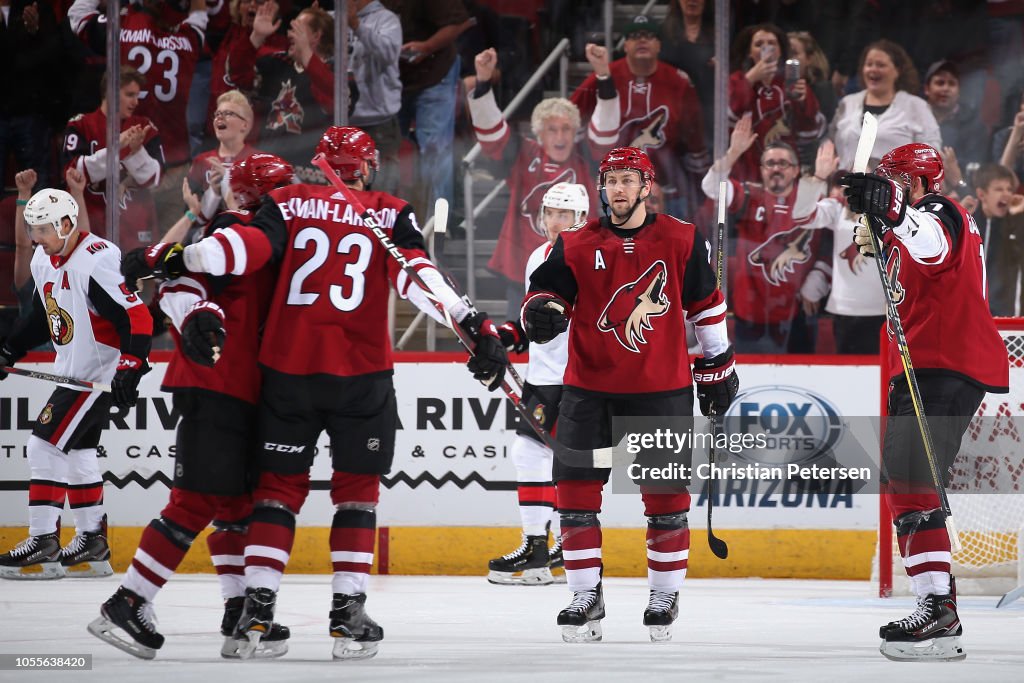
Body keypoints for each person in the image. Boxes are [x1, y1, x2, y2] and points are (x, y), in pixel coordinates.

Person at [167, 126, 508, 659]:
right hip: (361, 375)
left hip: (288, 370)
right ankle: (348, 612)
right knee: (356, 494)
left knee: (276, 492)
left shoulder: (288, 201)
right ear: (367, 168)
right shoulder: (389, 212)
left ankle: (257, 608)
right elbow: (416, 277)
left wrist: (180, 257)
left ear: (322, 165)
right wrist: (471, 322)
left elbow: (244, 250)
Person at [522, 147, 738, 643]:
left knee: (665, 500)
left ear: (647, 186)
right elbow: (543, 294)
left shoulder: (682, 237)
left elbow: (706, 305)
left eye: (627, 179)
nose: (617, 188)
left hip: (660, 391)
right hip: (587, 391)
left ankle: (664, 595)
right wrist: (540, 310)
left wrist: (718, 365)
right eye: (611, 180)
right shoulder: (575, 242)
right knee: (575, 496)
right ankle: (585, 594)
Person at [89, 153, 296, 661]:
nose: (291, 198)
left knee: (236, 507)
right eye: (282, 189)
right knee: (195, 502)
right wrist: (195, 311)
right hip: (216, 382)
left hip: (239, 388)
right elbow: (184, 285)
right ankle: (128, 601)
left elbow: (179, 279)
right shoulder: (239, 227)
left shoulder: (271, 237)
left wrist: (167, 264)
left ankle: (237, 609)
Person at [839, 143, 1009, 661]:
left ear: (914, 183)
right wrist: (884, 234)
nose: (885, 188)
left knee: (910, 474)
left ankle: (937, 608)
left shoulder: (940, 211)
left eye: (892, 180)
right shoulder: (908, 224)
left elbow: (932, 245)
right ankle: (937, 610)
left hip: (944, 360)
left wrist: (895, 217)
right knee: (905, 477)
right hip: (924, 362)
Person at [0, 186, 152, 580]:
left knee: (43, 445)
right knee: (79, 453)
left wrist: (132, 364)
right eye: (32, 229)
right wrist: (10, 348)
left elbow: (135, 316)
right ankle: (91, 541)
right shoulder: (43, 258)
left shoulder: (96, 260)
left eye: (43, 229)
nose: (36, 237)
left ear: (67, 224)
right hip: (75, 370)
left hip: (95, 374)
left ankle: (42, 541)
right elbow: (45, 315)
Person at [486, 181, 589, 586]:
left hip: (574, 377)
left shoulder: (589, 257)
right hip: (543, 376)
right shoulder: (538, 257)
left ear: (581, 218)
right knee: (537, 454)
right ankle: (553, 549)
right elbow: (537, 318)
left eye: (565, 214)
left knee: (549, 458)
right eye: (551, 213)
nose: (556, 221)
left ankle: (544, 549)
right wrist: (509, 335)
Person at [469, 45, 614, 320]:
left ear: (575, 132)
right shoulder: (523, 153)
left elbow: (606, 130)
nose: (560, 137)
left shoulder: (586, 155)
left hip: (580, 264)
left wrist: (604, 76)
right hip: (524, 264)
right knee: (522, 334)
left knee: (580, 334)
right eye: (552, 129)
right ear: (539, 134)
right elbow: (490, 133)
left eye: (566, 129)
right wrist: (483, 82)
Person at [702, 114, 830, 353]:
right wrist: (733, 152)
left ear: (796, 170)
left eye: (783, 163)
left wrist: (819, 277)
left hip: (797, 314)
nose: (776, 168)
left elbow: (830, 244)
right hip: (751, 314)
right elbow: (710, 186)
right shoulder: (749, 196)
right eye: (770, 163)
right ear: (761, 170)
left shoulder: (812, 201)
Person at [572, 15, 709, 217]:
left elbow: (694, 138)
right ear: (625, 45)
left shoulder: (678, 82)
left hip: (664, 192)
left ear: (659, 45)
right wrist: (580, 169)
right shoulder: (605, 75)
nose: (642, 40)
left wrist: (701, 188)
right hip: (613, 189)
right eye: (635, 36)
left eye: (649, 35)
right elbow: (570, 117)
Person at [226, 3, 341, 182]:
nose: (289, 34)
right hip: (266, 168)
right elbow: (238, 75)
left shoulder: (337, 74)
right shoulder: (277, 62)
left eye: (297, 29)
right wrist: (256, 36)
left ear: (316, 36)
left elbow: (333, 100)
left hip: (309, 176)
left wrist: (306, 54)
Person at [791, 141, 886, 353]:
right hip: (845, 310)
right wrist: (818, 177)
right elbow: (802, 216)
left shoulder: (894, 213)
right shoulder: (838, 209)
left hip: (884, 310)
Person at [63, 65, 165, 253]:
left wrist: (136, 152)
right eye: (130, 95)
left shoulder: (144, 127)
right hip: (91, 225)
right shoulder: (81, 125)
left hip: (135, 228)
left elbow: (155, 179)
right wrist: (117, 146)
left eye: (137, 96)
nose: (135, 102)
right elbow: (72, 172)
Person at [384, 0, 471, 215]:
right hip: (392, 78)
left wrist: (428, 46)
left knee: (435, 149)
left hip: (434, 72)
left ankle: (439, 223)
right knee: (386, 148)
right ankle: (384, 216)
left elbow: (459, 22)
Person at [727, 23, 825, 183]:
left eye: (772, 43)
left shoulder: (792, 83)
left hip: (786, 173)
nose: (766, 48)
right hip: (747, 173)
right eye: (759, 44)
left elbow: (809, 134)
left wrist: (803, 102)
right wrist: (749, 80)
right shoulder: (736, 80)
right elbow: (727, 120)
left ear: (780, 51)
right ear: (750, 52)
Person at [830, 40, 941, 171]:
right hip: (846, 182)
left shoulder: (916, 106)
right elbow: (830, 145)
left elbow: (931, 155)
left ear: (897, 71)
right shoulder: (847, 103)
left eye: (881, 65)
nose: (873, 69)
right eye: (869, 64)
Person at [348, 0, 403, 196]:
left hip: (379, 125)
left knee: (381, 196)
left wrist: (357, 26)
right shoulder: (336, 20)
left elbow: (388, 54)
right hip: (343, 123)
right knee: (345, 195)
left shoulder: (387, 20)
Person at [186, 90, 258, 225]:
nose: (220, 118)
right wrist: (213, 193)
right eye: (217, 114)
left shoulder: (259, 161)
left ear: (245, 124)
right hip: (207, 236)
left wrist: (227, 182)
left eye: (228, 113)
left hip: (246, 234)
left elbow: (264, 216)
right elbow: (190, 218)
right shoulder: (201, 162)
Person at [921, 59, 989, 194]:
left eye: (951, 83)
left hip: (959, 193)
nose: (946, 88)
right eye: (940, 83)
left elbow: (976, 165)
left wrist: (955, 176)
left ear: (959, 91)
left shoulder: (974, 124)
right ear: (927, 89)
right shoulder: (913, 117)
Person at [970, 163, 1024, 317]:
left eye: (1009, 189)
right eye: (999, 189)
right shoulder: (969, 224)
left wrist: (1017, 218)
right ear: (981, 194)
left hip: (1010, 318)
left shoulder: (1016, 224)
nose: (1006, 194)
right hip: (974, 316)